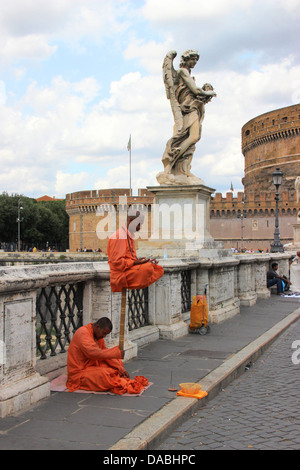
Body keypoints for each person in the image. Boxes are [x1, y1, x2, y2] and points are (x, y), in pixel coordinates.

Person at [66, 317, 148, 394]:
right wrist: (115, 353)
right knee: (104, 375)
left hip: (93, 366)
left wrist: (120, 368)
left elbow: (104, 352)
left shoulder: (97, 335)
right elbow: (93, 353)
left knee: (118, 363)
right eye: (104, 333)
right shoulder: (83, 332)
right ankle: (114, 380)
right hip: (80, 372)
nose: (104, 336)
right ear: (97, 327)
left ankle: (115, 376)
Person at [107, 210, 164, 292]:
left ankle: (140, 280)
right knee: (148, 269)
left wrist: (142, 261)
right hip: (120, 275)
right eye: (139, 224)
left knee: (158, 269)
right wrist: (135, 263)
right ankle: (135, 282)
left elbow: (128, 258)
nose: (140, 228)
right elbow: (117, 263)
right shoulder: (119, 236)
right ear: (130, 221)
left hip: (128, 270)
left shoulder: (129, 236)